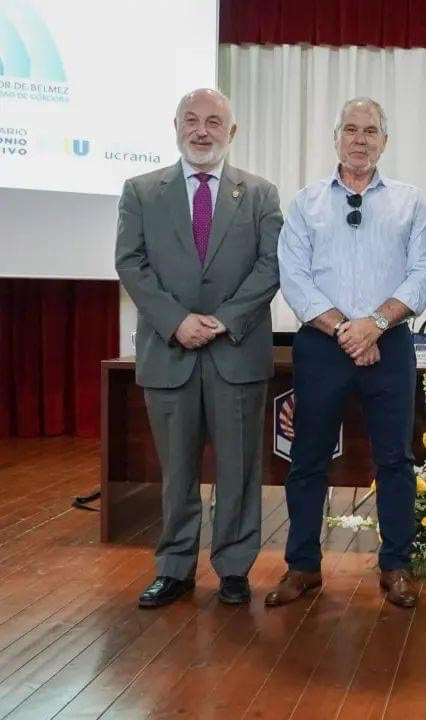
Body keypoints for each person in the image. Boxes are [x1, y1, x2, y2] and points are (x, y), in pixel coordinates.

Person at [115, 88, 282, 608]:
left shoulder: (259, 193)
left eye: (213, 121)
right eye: (192, 120)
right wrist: (176, 321)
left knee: (239, 470)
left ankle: (234, 568)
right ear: (177, 127)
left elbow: (271, 266)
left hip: (236, 350)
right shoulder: (142, 190)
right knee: (177, 473)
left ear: (231, 132)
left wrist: (223, 321)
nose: (202, 130)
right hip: (171, 352)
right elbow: (131, 262)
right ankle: (174, 567)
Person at [271, 97, 426, 609]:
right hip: (322, 346)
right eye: (351, 129)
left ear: (385, 141)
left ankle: (397, 566)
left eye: (370, 131)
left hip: (390, 344)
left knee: (396, 460)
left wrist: (376, 325)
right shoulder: (305, 203)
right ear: (335, 137)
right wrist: (347, 329)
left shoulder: (411, 202)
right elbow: (293, 277)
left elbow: (421, 275)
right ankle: (302, 567)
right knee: (307, 459)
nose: (360, 139)